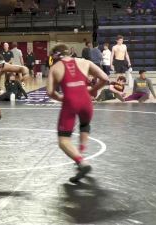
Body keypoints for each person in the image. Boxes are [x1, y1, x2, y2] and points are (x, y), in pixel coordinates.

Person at [47, 44, 109, 183]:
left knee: (63, 141)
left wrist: (62, 98)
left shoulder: (54, 68)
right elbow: (105, 78)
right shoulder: (85, 62)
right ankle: (81, 153)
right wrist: (93, 90)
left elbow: (50, 92)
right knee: (85, 124)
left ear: (55, 56)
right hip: (86, 102)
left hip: (70, 103)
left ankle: (81, 162)